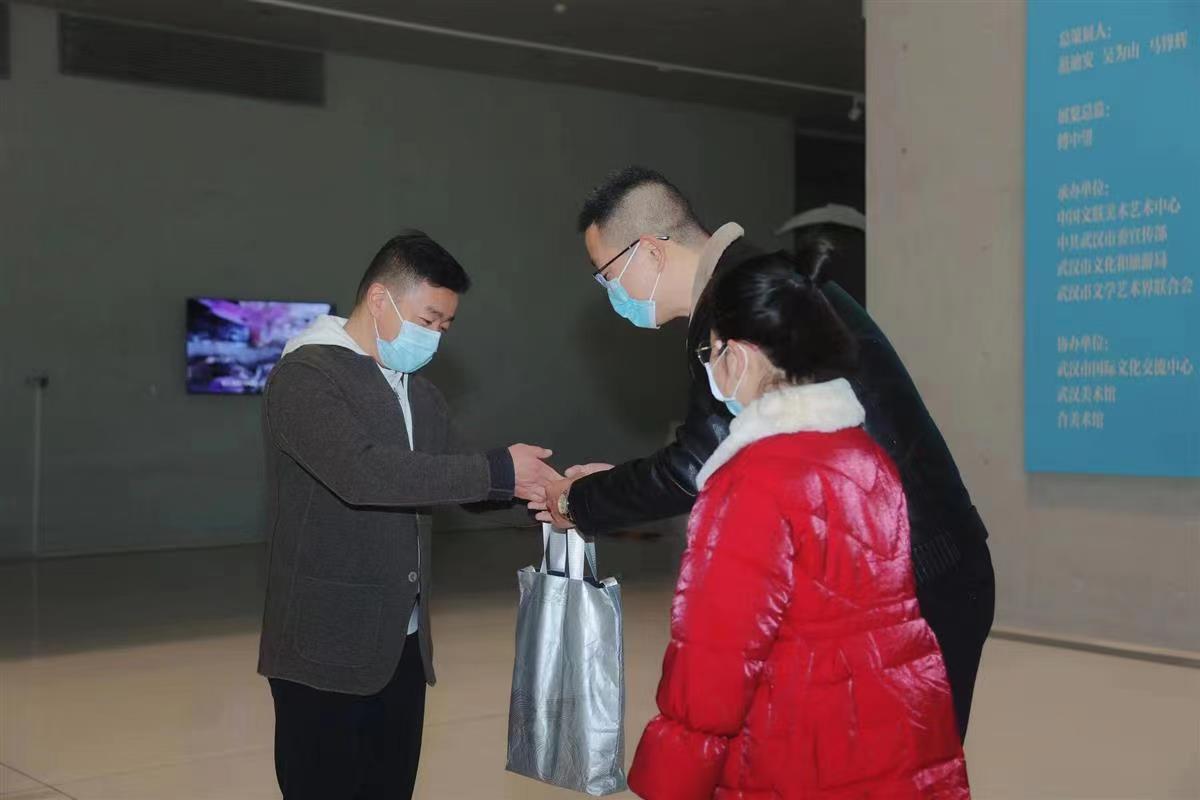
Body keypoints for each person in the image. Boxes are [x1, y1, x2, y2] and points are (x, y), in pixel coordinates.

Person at [538, 169, 992, 739]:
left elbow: (694, 469)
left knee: (897, 768)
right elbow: (720, 456)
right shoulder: (752, 282)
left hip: (914, 584)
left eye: (607, 276)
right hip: (905, 572)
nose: (610, 294)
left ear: (650, 251)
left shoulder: (739, 309)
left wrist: (578, 502)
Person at [626, 250, 971, 800]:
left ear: (738, 355)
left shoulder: (747, 482)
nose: (712, 369)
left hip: (794, 747)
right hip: (893, 734)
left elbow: (714, 663)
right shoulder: (866, 457)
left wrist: (670, 783)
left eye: (710, 352)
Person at [257, 231, 559, 800]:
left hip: (402, 644)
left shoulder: (419, 393)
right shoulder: (305, 376)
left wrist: (549, 489)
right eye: (428, 319)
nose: (436, 335)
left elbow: (459, 476)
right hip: (324, 647)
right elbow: (361, 473)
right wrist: (497, 470)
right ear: (380, 299)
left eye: (446, 325)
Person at [791, 211, 994, 739]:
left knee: (915, 759)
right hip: (910, 587)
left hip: (931, 584)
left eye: (721, 351)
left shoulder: (837, 417)